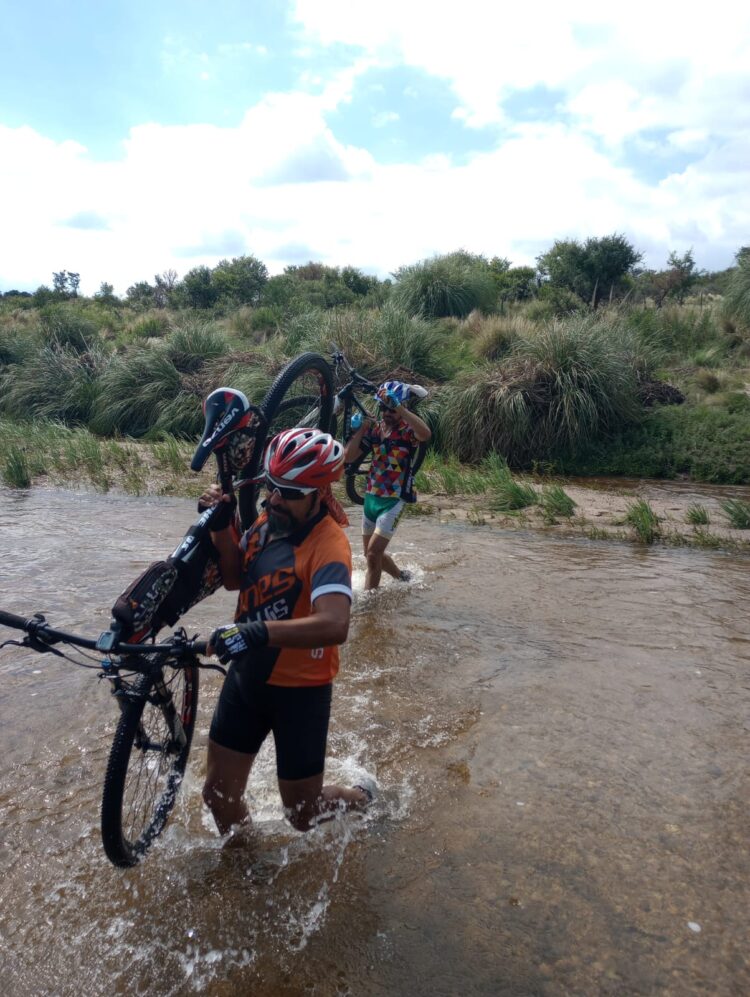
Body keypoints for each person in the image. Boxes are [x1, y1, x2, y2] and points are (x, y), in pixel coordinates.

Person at [200, 427, 373, 836]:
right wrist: (222, 527)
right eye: (272, 487)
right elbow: (234, 578)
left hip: (301, 691)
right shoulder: (266, 521)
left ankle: (364, 796)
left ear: (319, 493)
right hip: (246, 678)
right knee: (217, 795)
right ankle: (246, 872)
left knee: (302, 814)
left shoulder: (329, 545)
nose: (276, 499)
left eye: (290, 493)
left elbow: (335, 624)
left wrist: (257, 631)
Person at [343, 380, 431, 590]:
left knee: (373, 554)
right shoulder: (375, 430)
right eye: (383, 408)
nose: (387, 413)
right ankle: (402, 576)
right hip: (371, 497)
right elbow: (348, 457)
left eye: (392, 409)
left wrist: (400, 408)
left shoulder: (408, 432)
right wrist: (361, 429)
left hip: (394, 500)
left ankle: (369, 605)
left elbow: (426, 434)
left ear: (401, 408)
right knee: (370, 555)